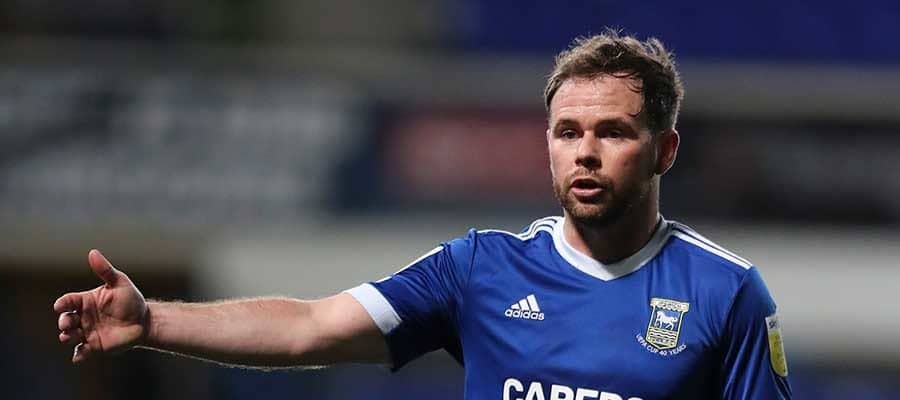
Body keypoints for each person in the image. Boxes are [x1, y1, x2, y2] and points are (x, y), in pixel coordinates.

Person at [54, 31, 792, 400]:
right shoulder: (479, 269)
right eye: (568, 133)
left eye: (614, 133)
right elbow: (311, 326)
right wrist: (152, 321)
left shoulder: (726, 293)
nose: (586, 153)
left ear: (664, 149)